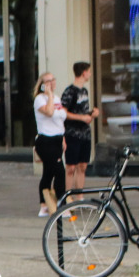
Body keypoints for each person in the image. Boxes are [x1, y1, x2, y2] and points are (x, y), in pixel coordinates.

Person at [60, 61, 99, 200]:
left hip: (85, 133)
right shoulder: (70, 91)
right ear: (83, 73)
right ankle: (68, 196)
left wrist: (91, 114)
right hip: (72, 133)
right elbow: (63, 112)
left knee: (82, 165)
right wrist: (81, 118)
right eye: (88, 71)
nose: (90, 74)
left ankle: (80, 196)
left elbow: (82, 111)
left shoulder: (84, 91)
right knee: (71, 166)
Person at [32, 72, 67, 217]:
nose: (51, 83)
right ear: (41, 85)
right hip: (45, 140)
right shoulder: (40, 100)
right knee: (60, 171)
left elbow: (60, 119)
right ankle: (61, 203)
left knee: (48, 172)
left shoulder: (57, 98)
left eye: (53, 80)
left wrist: (63, 138)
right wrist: (49, 95)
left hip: (57, 138)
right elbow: (49, 112)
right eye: (47, 81)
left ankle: (44, 205)